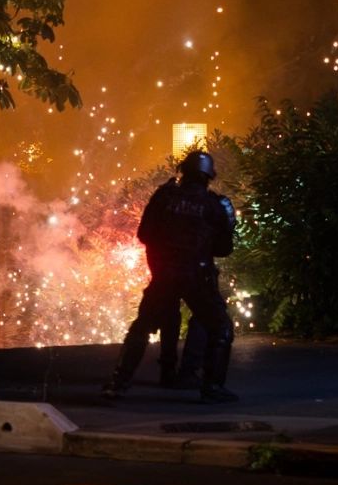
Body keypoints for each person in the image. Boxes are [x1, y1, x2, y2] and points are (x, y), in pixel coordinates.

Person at [102, 151, 239, 403]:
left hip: (164, 273)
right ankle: (212, 387)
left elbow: (144, 234)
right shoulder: (214, 205)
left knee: (142, 326)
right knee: (220, 328)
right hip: (197, 276)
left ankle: (118, 383)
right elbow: (223, 249)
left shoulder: (164, 196)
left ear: (183, 171)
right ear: (208, 176)